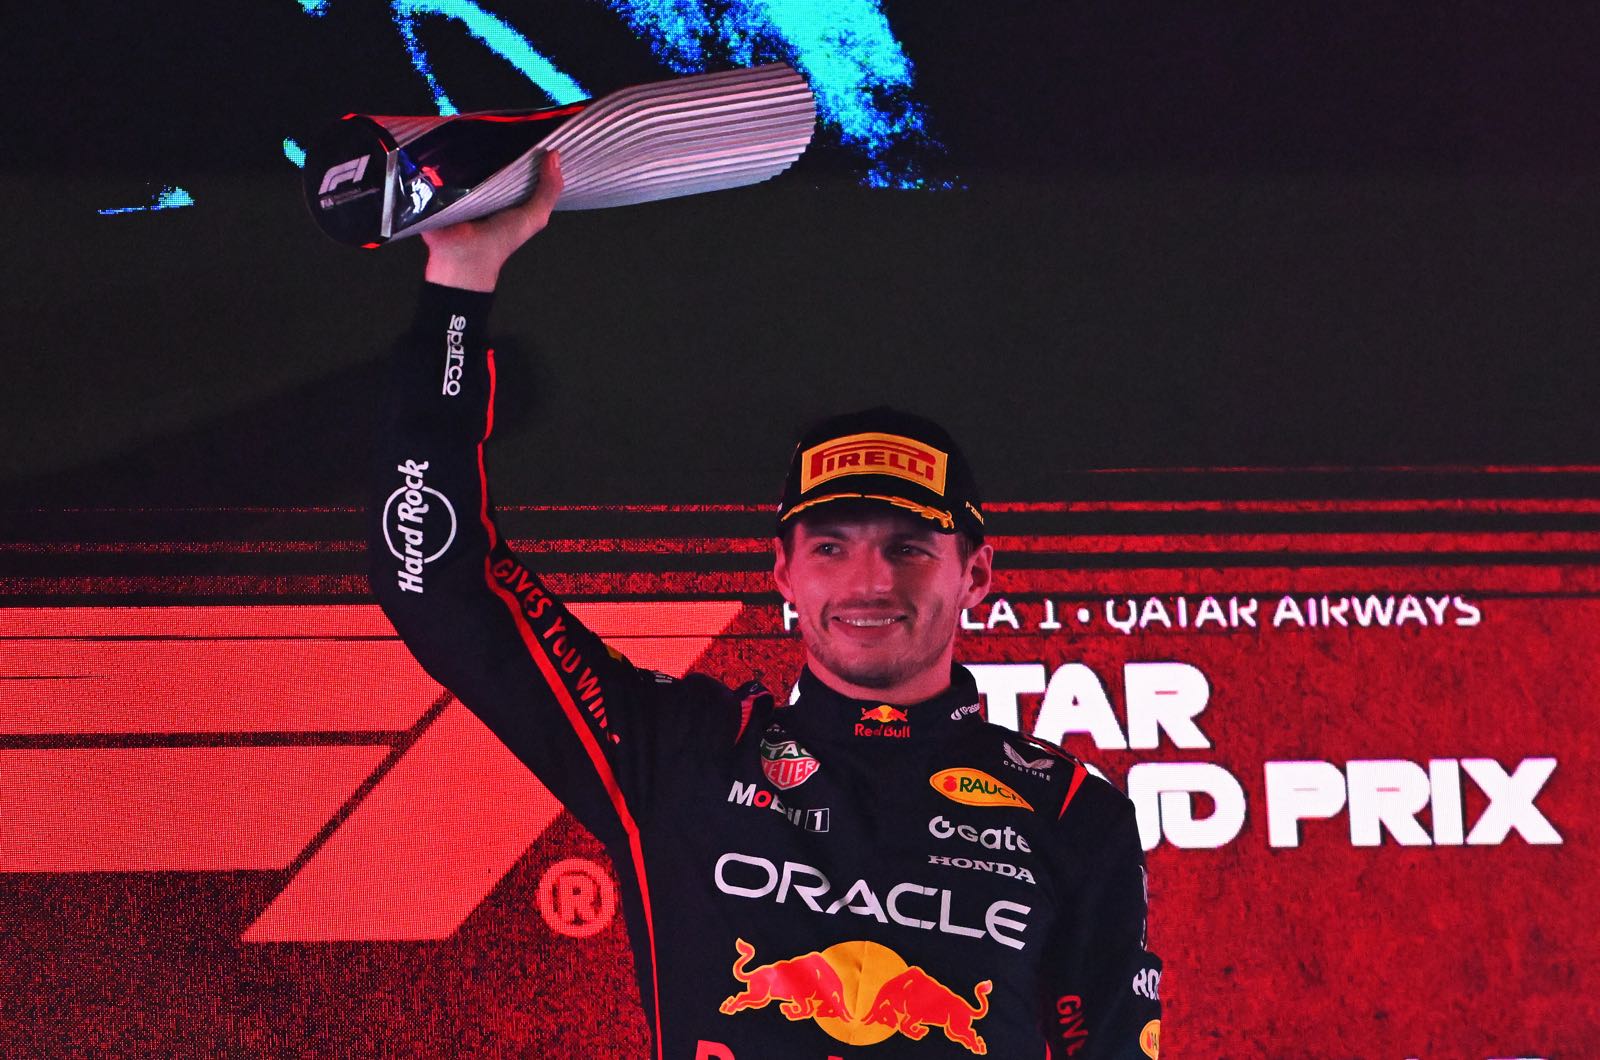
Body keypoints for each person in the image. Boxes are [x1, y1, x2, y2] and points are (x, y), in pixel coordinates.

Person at [371, 150, 1162, 1059]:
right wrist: (459, 288)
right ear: (782, 571)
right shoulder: (681, 753)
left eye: (908, 547)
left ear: (976, 573)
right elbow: (437, 582)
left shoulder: (1071, 814)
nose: (869, 582)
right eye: (831, 546)